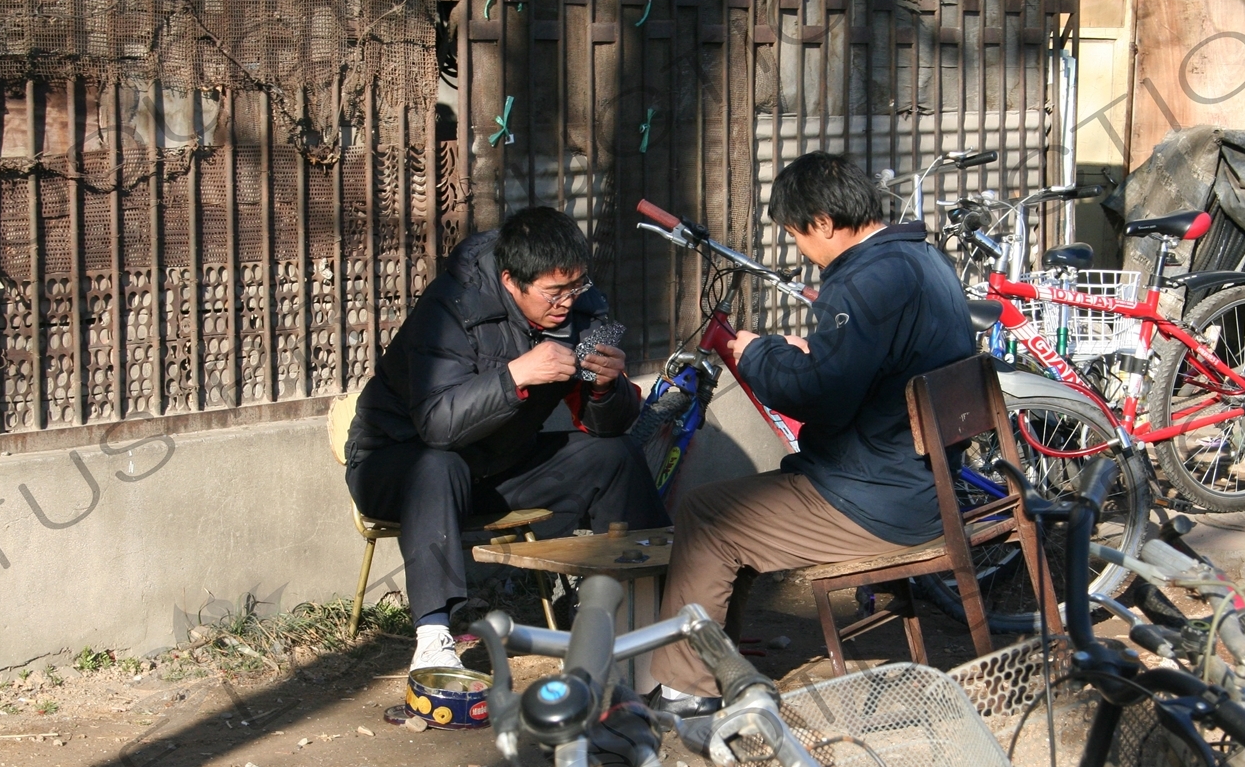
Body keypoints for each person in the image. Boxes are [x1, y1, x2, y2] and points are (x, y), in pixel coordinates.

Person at [645, 151, 976, 714]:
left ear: (823, 223)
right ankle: (719, 668)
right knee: (736, 507)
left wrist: (758, 354)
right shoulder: (922, 259)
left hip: (878, 499)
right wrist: (813, 354)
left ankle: (683, 692)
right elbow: (867, 369)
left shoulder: (866, 281)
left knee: (707, 517)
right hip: (925, 481)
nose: (800, 249)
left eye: (798, 234)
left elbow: (820, 398)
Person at [344, 205, 669, 672]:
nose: (567, 302)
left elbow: (605, 426)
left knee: (613, 456)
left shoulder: (586, 307)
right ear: (511, 281)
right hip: (394, 464)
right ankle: (434, 640)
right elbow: (437, 425)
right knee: (437, 464)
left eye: (576, 286)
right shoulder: (451, 307)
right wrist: (517, 374)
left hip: (496, 464)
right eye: (554, 292)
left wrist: (606, 387)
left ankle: (646, 615)